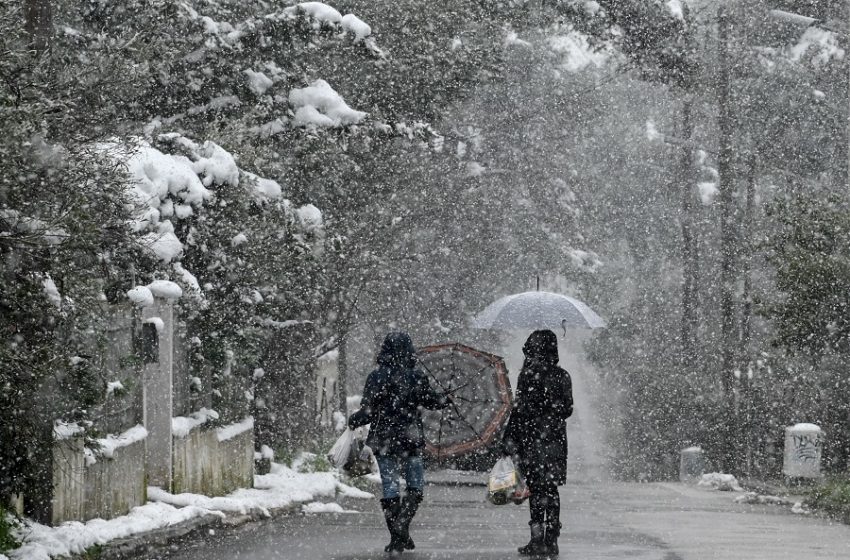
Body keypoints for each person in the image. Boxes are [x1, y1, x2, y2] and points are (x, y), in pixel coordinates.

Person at [348, 331, 450, 553]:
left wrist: (354, 420)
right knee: (415, 484)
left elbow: (367, 412)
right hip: (410, 438)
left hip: (384, 439)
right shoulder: (416, 376)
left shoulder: (376, 377)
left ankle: (397, 536)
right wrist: (444, 398)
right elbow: (430, 401)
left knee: (390, 485)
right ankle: (402, 527)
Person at [501, 329, 574, 556]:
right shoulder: (563, 376)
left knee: (535, 490)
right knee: (551, 490)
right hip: (555, 442)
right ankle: (552, 540)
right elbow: (567, 409)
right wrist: (551, 407)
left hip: (532, 441)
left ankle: (536, 540)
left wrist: (509, 438)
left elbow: (520, 411)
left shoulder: (528, 375)